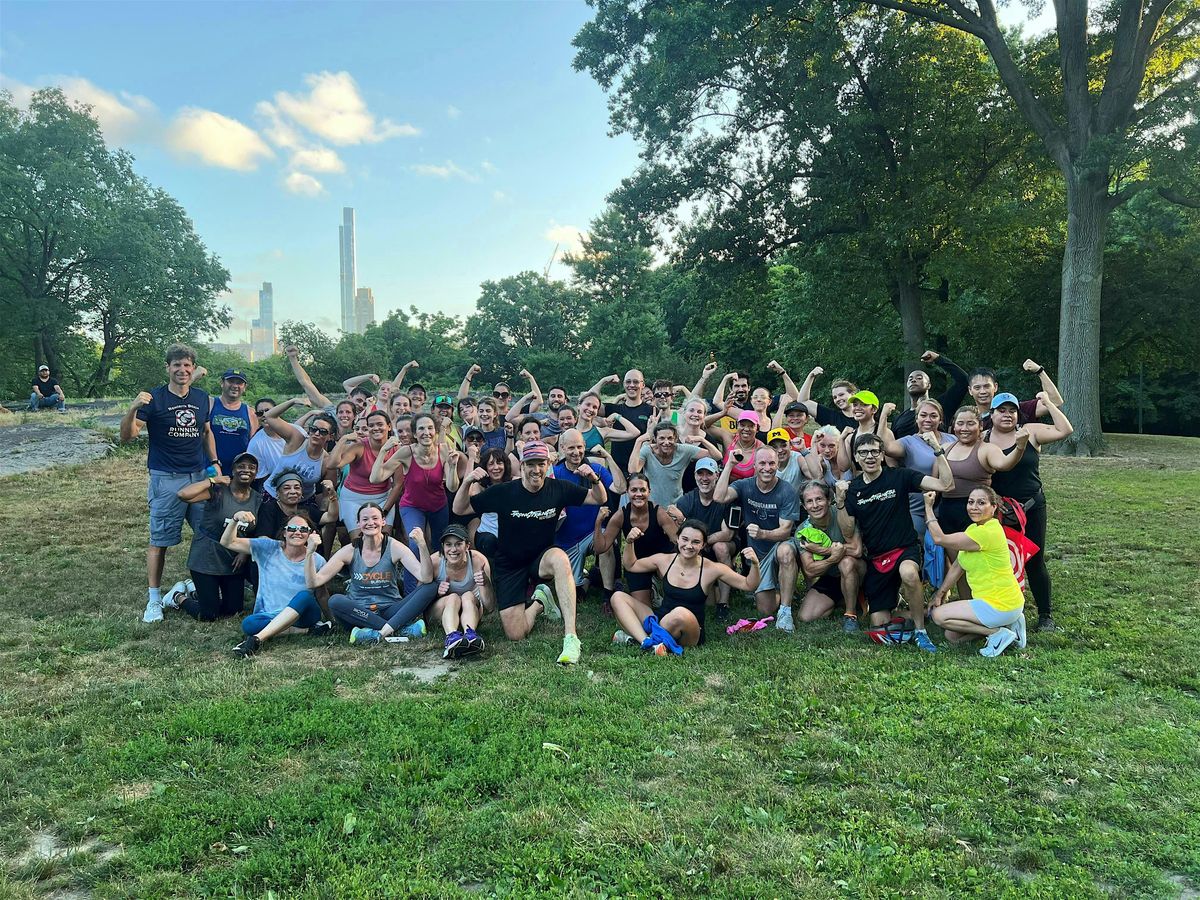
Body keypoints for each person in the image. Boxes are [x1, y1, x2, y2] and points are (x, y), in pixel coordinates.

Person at [453, 440, 607, 664]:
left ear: (548, 465)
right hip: (510, 564)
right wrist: (467, 481)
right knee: (516, 634)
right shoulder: (503, 492)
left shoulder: (558, 488)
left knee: (561, 559)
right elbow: (459, 508)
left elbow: (599, 498)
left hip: (540, 558)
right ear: (522, 466)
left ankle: (571, 637)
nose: (536, 470)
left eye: (541, 464)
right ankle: (540, 603)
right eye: (531, 464)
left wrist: (594, 479)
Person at [121, 343, 220, 624]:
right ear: (168, 368)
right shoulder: (153, 399)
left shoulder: (203, 398)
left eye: (187, 365)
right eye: (176, 365)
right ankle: (154, 600)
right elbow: (127, 437)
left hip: (199, 476)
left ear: (192, 368)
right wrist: (131, 409)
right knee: (160, 540)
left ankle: (205, 586)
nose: (182, 369)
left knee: (208, 533)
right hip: (165, 479)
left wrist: (214, 461)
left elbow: (205, 431)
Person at [836, 432, 954, 652]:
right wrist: (840, 502)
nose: (869, 456)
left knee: (909, 573)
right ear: (856, 458)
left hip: (904, 549)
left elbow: (946, 485)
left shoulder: (900, 476)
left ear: (882, 455)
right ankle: (919, 612)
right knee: (879, 624)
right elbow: (847, 530)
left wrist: (938, 450)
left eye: (874, 451)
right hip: (877, 559)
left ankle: (920, 632)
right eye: (863, 453)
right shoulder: (852, 489)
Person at [985, 391, 1074, 632]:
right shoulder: (983, 439)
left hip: (1032, 506)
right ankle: (1002, 611)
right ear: (991, 415)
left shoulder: (1029, 432)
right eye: (1001, 411)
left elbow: (1064, 430)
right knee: (1001, 562)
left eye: (1011, 410)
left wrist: (1047, 402)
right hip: (999, 511)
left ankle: (1045, 616)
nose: (1007, 415)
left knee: (1034, 561)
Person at [611, 520, 763, 654]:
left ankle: (641, 637)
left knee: (679, 613)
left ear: (703, 545)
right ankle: (646, 642)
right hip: (661, 619)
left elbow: (749, 584)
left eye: (696, 542)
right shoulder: (664, 561)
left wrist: (755, 564)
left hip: (690, 628)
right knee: (618, 597)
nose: (688, 546)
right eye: (685, 539)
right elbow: (631, 565)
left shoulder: (712, 568)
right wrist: (630, 542)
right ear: (677, 539)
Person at [933, 407, 1030, 599]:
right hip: (948, 514)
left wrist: (1020, 447)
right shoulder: (946, 449)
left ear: (980, 426)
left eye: (971, 423)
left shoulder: (986, 449)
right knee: (958, 565)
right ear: (954, 426)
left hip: (976, 514)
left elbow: (1005, 464)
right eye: (960, 423)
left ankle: (991, 607)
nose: (965, 428)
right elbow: (935, 480)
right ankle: (967, 605)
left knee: (980, 567)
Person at [308, 504, 433, 643]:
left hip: (390, 609)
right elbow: (314, 582)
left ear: (383, 521)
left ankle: (375, 632)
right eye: (365, 519)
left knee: (431, 587)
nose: (370, 523)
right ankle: (397, 629)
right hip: (359, 612)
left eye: (375, 518)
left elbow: (426, 578)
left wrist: (422, 545)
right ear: (358, 523)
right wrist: (309, 553)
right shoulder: (350, 550)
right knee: (335, 601)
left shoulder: (394, 546)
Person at [925, 487, 1028, 657]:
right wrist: (940, 593)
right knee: (952, 636)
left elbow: (939, 538)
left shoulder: (987, 533)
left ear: (994, 507)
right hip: (1002, 602)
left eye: (981, 503)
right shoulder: (975, 529)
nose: (974, 507)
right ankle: (1009, 625)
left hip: (999, 604)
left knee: (939, 616)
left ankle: (996, 633)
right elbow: (958, 565)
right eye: (971, 502)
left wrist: (928, 507)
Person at [224, 510, 331, 658]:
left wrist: (332, 619)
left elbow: (321, 593)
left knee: (305, 595)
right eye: (292, 529)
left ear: (310, 534)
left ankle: (257, 639)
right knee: (248, 624)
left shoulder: (317, 559)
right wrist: (235, 519)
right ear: (284, 533)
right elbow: (228, 542)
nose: (297, 532)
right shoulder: (268, 548)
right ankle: (308, 631)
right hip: (271, 615)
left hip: (304, 616)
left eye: (303, 529)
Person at [714, 446, 800, 628]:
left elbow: (785, 531)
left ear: (778, 465)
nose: (767, 468)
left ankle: (786, 611)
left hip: (778, 548)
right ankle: (781, 586)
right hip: (758, 558)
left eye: (771, 463)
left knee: (785, 550)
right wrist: (729, 465)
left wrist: (762, 533)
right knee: (765, 610)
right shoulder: (745, 485)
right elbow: (719, 497)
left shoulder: (787, 491)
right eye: (762, 463)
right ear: (754, 465)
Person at [370, 413, 457, 591]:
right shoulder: (406, 452)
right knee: (415, 544)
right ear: (415, 434)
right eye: (421, 429)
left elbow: (453, 486)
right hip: (412, 506)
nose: (426, 432)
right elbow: (376, 477)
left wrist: (452, 465)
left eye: (430, 428)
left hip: (438, 505)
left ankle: (439, 585)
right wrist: (383, 451)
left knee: (440, 545)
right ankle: (411, 592)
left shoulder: (443, 449)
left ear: (435, 431)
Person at [174, 451, 263, 621]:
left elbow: (256, 531)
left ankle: (198, 593)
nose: (246, 470)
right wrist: (213, 480)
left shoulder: (257, 499)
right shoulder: (219, 491)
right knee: (209, 615)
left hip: (232, 562)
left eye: (252, 467)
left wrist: (244, 552)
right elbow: (183, 495)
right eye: (241, 466)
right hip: (206, 557)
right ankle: (178, 597)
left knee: (233, 611)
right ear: (233, 470)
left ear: (256, 473)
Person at [395, 524, 494, 658]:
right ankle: (452, 637)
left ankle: (470, 635)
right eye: (448, 544)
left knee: (468, 595)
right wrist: (436, 592)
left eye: (458, 544)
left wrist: (486, 583)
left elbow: (490, 606)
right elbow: (419, 599)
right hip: (441, 611)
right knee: (453, 597)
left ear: (467, 546)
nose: (453, 549)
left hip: (470, 609)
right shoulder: (435, 561)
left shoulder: (478, 561)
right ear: (443, 546)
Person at [553, 429, 625, 603]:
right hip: (566, 540)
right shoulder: (554, 472)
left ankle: (608, 594)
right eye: (571, 448)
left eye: (579, 447)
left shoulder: (596, 469)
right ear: (562, 448)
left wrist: (608, 456)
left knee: (606, 544)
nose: (576, 452)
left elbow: (621, 488)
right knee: (576, 596)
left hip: (591, 534)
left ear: (584, 446)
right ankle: (589, 579)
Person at [593, 472, 678, 609]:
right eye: (634, 490)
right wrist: (598, 523)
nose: (638, 494)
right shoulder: (621, 515)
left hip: (661, 561)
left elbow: (678, 542)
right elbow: (600, 548)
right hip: (637, 564)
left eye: (643, 490)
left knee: (671, 604)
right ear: (627, 492)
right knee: (644, 607)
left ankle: (661, 583)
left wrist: (681, 522)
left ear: (649, 492)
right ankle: (651, 588)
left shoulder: (659, 513)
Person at [790, 480, 866, 631]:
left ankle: (850, 615)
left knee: (846, 563)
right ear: (804, 507)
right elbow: (810, 570)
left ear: (829, 500)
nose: (815, 505)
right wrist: (833, 556)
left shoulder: (843, 512)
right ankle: (845, 599)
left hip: (858, 570)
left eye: (819, 499)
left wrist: (823, 550)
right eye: (809, 501)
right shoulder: (803, 530)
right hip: (831, 576)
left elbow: (857, 550)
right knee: (806, 616)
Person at [665, 457, 736, 617]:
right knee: (707, 601)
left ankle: (723, 603)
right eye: (700, 473)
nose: (704, 478)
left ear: (717, 475)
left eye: (709, 474)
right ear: (695, 476)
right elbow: (680, 536)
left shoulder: (726, 497)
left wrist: (692, 532)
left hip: (723, 545)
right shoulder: (687, 500)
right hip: (700, 549)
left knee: (721, 547)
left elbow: (727, 534)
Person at [332, 409, 398, 532]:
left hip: (383, 498)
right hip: (353, 497)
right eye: (371, 425)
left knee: (384, 536)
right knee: (358, 539)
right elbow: (333, 464)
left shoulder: (395, 449)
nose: (375, 428)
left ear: (389, 426)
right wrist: (343, 439)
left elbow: (398, 485)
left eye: (380, 424)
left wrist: (385, 511)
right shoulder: (359, 446)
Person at [258, 398, 336, 499]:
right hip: (273, 495)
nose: (317, 434)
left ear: (331, 436)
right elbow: (269, 416)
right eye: (314, 429)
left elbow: (327, 495)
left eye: (323, 432)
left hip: (303, 502)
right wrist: (292, 401)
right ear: (309, 429)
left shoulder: (327, 462)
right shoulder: (297, 440)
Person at [629, 420, 719, 507]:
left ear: (675, 438)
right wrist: (639, 441)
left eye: (670, 438)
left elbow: (717, 456)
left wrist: (701, 440)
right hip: (651, 505)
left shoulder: (684, 450)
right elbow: (633, 470)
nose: (666, 442)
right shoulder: (647, 451)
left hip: (676, 505)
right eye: (662, 438)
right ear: (655, 439)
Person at [890, 350, 970, 439]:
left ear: (929, 385)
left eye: (919, 378)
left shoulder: (941, 405)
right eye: (910, 379)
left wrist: (938, 359)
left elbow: (964, 380)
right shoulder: (899, 419)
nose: (913, 380)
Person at [589, 370, 654, 474]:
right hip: (616, 469)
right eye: (628, 382)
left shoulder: (651, 411)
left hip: (641, 470)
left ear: (643, 384)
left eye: (636, 382)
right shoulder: (614, 409)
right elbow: (588, 401)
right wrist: (603, 381)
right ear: (624, 384)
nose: (631, 385)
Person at [967, 361, 1063, 429]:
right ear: (970, 390)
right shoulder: (967, 419)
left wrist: (1040, 371)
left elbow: (1055, 402)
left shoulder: (1016, 410)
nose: (982, 391)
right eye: (977, 388)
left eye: (987, 386)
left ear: (995, 387)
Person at [454, 446, 512, 558]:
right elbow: (460, 507)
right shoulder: (479, 487)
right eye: (491, 464)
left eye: (499, 463)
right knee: (488, 541)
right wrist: (469, 479)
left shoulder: (514, 483)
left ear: (505, 465)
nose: (496, 467)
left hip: (510, 533)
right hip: (488, 535)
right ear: (485, 467)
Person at [208, 369, 257, 475]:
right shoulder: (210, 404)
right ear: (222, 383)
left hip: (238, 472)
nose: (235, 386)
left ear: (244, 387)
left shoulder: (250, 412)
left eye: (239, 383)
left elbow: (253, 444)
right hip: (210, 468)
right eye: (231, 381)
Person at [577, 392, 640, 458]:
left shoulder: (602, 432)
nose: (591, 409)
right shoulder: (568, 430)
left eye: (595, 407)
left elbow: (634, 432)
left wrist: (616, 416)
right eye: (588, 404)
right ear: (579, 405)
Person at [767, 427, 822, 493]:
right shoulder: (766, 463)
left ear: (790, 445)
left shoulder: (797, 458)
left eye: (783, 445)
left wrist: (804, 450)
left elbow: (816, 476)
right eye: (774, 447)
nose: (780, 450)